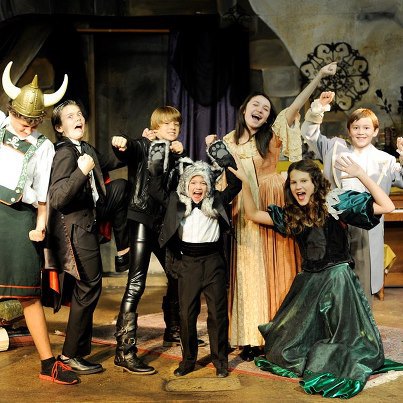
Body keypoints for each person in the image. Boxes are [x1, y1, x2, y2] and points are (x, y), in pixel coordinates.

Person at [230, 156, 403, 398]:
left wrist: (361, 174)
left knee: (341, 348)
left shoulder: (334, 203)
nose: (298, 187)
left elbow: (386, 206)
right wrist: (246, 183)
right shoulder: (293, 214)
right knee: (282, 348)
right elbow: (252, 214)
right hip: (309, 282)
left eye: (304, 181)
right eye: (293, 182)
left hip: (337, 279)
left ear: (315, 183)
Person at [206, 62, 337, 360]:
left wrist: (318, 76)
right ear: (244, 109)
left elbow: (296, 105)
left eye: (265, 108)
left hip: (272, 202)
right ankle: (251, 336)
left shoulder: (272, 132)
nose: (261, 111)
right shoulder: (226, 141)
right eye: (256, 105)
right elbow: (221, 178)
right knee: (249, 270)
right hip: (243, 208)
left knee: (280, 268)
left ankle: (283, 332)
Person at [0, 61, 79, 384]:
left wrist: (41, 224)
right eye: (22, 120)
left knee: (27, 292)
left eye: (33, 122)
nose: (27, 127)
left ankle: (48, 363)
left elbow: (43, 193)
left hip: (21, 216)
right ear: (11, 111)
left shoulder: (43, 146)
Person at [46, 99, 131, 375]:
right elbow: (58, 198)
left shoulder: (86, 148)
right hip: (76, 227)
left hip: (90, 218)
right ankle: (70, 354)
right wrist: (81, 172)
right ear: (59, 127)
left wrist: (128, 144)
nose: (78, 118)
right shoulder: (64, 153)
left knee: (120, 187)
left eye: (80, 114)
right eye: (70, 116)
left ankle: (123, 250)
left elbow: (112, 161)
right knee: (88, 287)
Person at [148, 141, 241, 378]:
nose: (198, 186)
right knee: (186, 314)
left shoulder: (216, 200)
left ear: (209, 185)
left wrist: (226, 161)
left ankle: (220, 362)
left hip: (213, 263)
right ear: (185, 185)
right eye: (193, 182)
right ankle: (188, 360)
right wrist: (156, 166)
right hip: (187, 263)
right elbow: (155, 191)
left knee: (218, 314)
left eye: (203, 182)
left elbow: (236, 184)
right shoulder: (177, 202)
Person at [301, 92, 403, 302]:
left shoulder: (386, 160)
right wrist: (318, 108)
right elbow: (309, 133)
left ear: (375, 131)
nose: (361, 132)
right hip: (336, 226)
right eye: (356, 127)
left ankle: (363, 321)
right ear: (349, 130)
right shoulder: (334, 148)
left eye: (366, 128)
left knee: (363, 289)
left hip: (367, 228)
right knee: (333, 285)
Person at [110, 106, 187, 375]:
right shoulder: (144, 145)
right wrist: (121, 142)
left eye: (176, 124)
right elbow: (128, 148)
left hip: (164, 223)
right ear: (155, 127)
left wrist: (179, 155)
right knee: (136, 282)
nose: (173, 127)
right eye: (167, 123)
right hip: (142, 218)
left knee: (177, 274)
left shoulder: (176, 153)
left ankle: (173, 329)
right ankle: (124, 351)